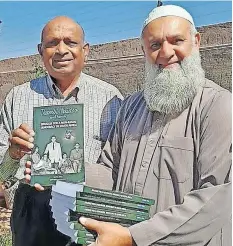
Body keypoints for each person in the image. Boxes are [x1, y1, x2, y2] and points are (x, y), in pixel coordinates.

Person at [26, 5, 231, 246]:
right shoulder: (132, 106)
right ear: (144, 50)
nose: (166, 52)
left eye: (177, 40)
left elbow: (218, 197)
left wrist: (134, 237)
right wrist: (59, 171)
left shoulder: (217, 106)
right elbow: (110, 171)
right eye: (155, 45)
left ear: (196, 42)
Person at [0, 16, 123, 246]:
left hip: (89, 215)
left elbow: (121, 167)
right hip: (31, 220)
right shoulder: (18, 98)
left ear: (85, 50)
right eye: (52, 43)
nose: (61, 50)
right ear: (40, 50)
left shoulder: (111, 99)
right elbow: (1, 177)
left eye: (71, 42)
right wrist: (13, 155)